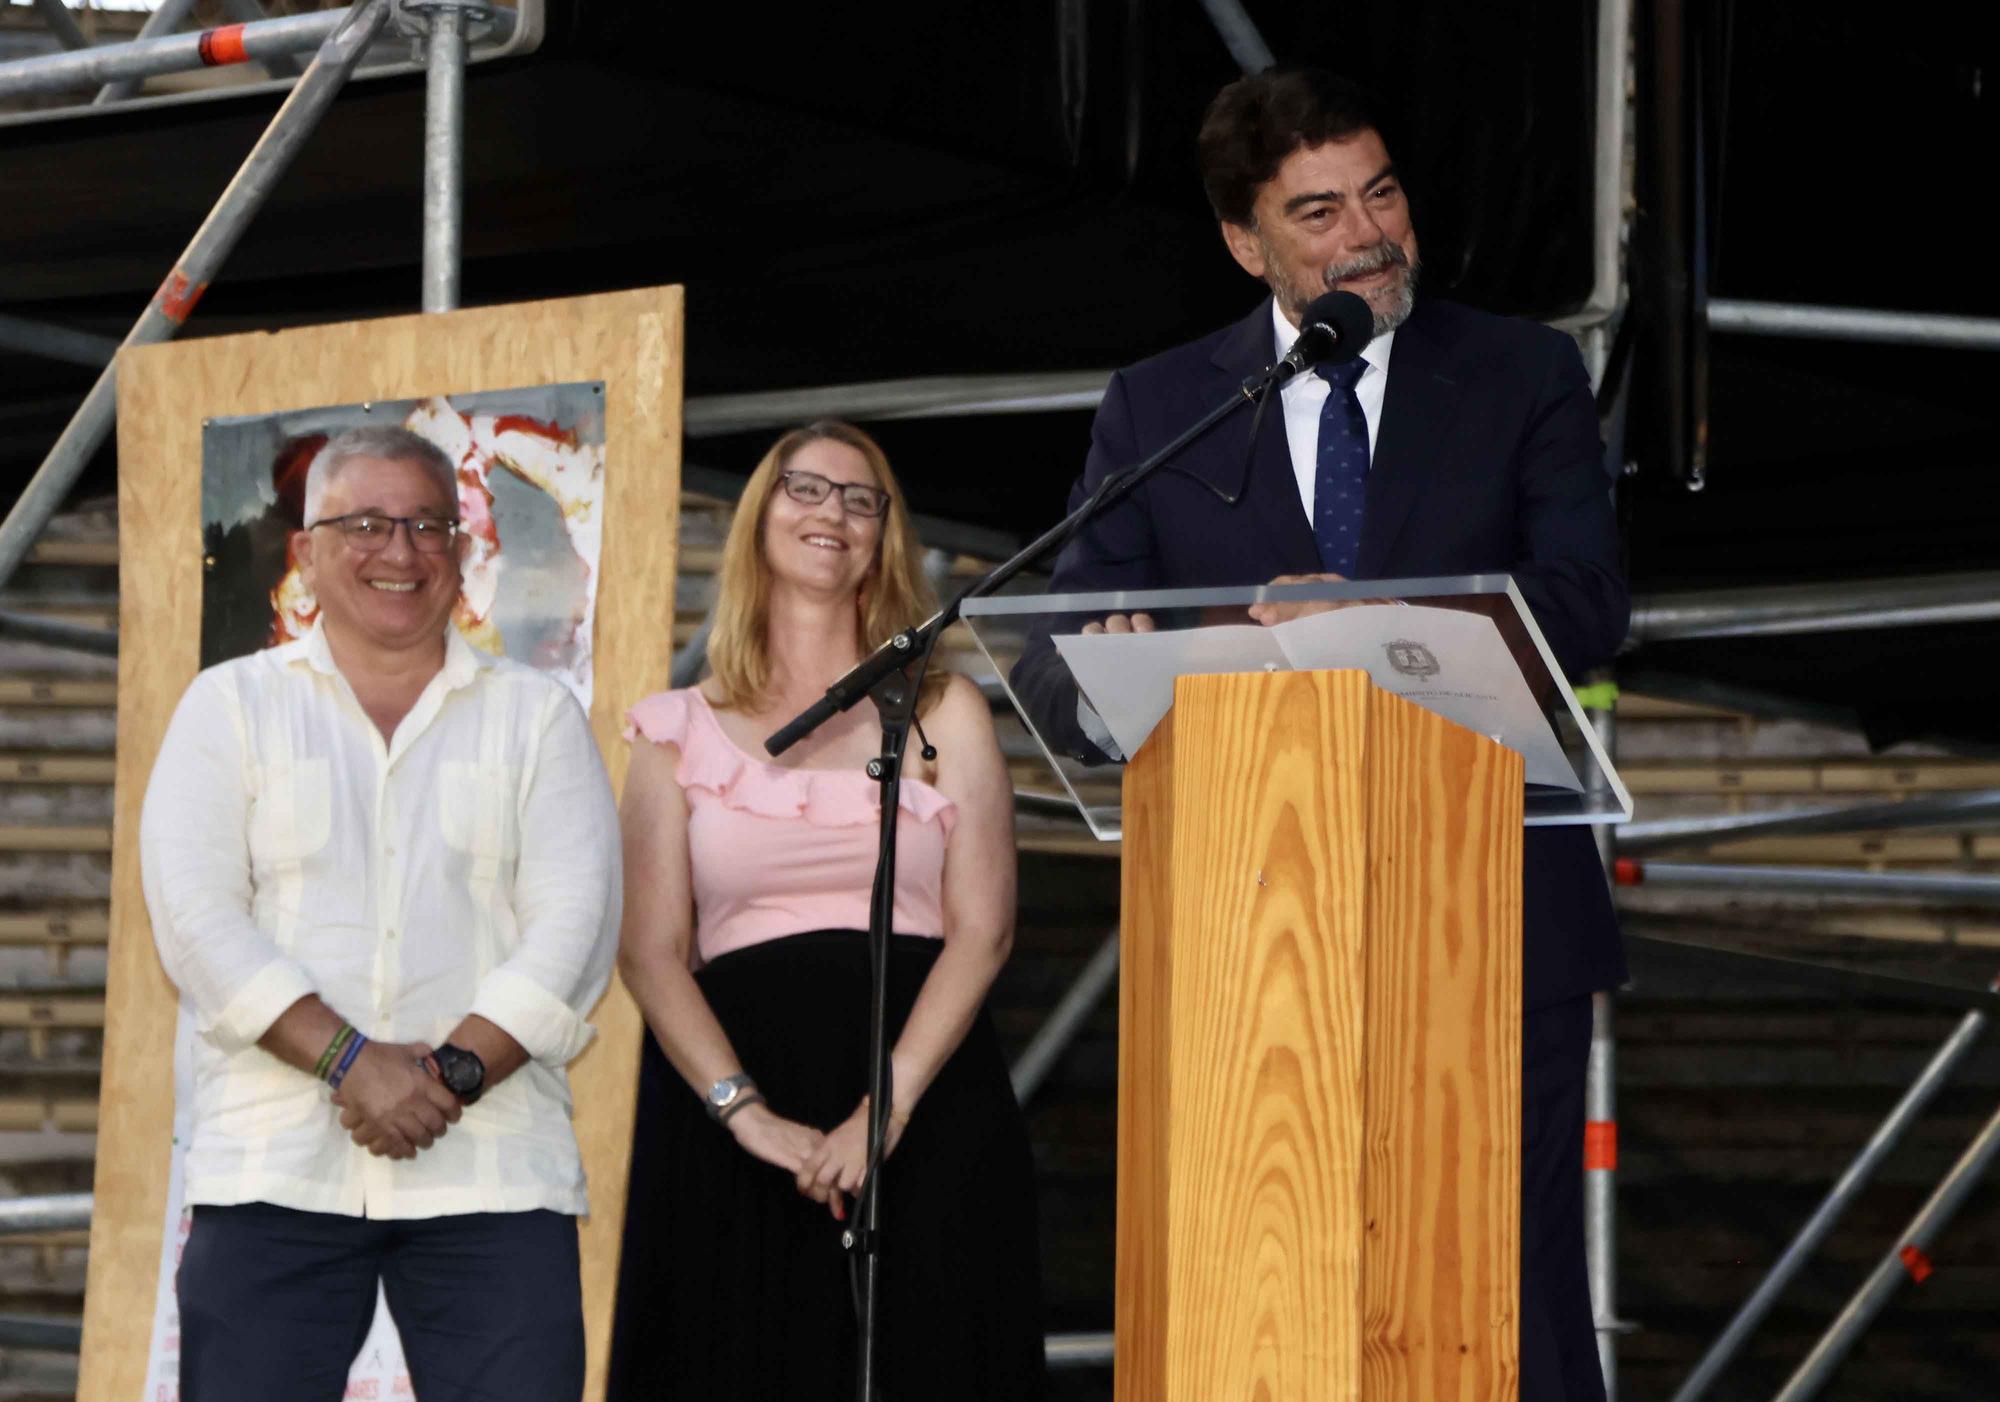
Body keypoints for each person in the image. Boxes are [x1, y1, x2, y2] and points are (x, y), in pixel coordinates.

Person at [1014, 69, 1626, 1402]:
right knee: (1261, 1295)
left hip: (1495, 917)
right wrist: (1107, 671)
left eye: (1382, 190)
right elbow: (1057, 656)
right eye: (1319, 210)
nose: (1369, 233)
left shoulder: (1523, 371)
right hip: (1250, 931)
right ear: (1247, 244)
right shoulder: (1166, 402)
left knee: (1506, 1301)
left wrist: (1376, 616)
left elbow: (1584, 603)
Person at [140, 424, 621, 1402]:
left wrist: (442, 1077)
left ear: (462, 549)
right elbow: (194, 920)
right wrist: (351, 1063)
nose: (398, 552)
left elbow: (575, 930)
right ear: (306, 550)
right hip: (273, 1165)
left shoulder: (537, 717)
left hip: (493, 1169)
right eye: (363, 523)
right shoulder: (225, 706)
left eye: (426, 525)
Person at [607, 420, 1045, 1401]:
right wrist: (746, 1115)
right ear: (758, 515)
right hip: (741, 1121)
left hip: (924, 1099)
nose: (831, 513)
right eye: (804, 488)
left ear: (883, 535)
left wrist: (881, 1108)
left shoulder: (942, 707)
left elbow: (985, 930)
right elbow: (649, 952)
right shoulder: (672, 731)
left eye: (860, 497)